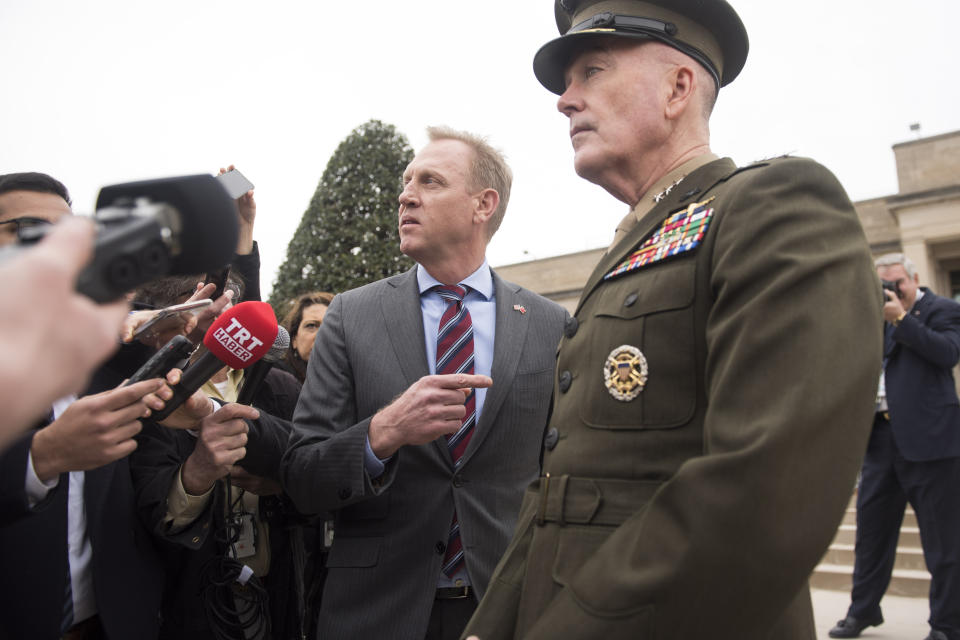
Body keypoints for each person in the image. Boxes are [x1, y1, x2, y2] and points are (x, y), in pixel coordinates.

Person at [463, 2, 882, 639]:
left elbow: (763, 495)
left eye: (593, 71)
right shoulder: (633, 247)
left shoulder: (770, 205)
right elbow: (559, 499)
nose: (565, 100)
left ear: (678, 88)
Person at [241, 126, 568, 640]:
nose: (405, 194)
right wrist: (381, 433)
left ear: (484, 204)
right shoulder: (351, 316)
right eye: (406, 180)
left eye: (430, 181)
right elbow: (301, 475)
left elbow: (564, 474)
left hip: (509, 608)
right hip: (377, 612)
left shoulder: (550, 323)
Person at [829, 254, 960, 640]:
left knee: (944, 542)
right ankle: (863, 611)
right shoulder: (875, 319)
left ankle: (947, 624)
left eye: (897, 282)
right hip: (880, 442)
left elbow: (947, 353)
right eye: (884, 284)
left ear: (914, 278)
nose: (891, 290)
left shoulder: (943, 309)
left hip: (931, 442)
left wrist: (901, 319)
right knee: (871, 536)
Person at [278, 291, 335, 383]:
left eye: (331, 327)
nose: (321, 335)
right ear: (294, 340)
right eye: (311, 326)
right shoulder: (273, 379)